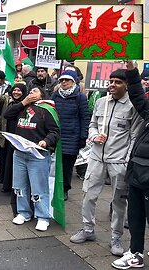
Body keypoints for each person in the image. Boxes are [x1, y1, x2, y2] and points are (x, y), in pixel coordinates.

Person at [70, 69, 143, 257]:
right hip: (96, 158)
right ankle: (87, 229)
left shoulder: (133, 107)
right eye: (111, 81)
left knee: (119, 200)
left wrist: (127, 162)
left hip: (118, 161)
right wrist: (94, 136)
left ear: (127, 85)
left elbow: (134, 136)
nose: (112, 84)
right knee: (88, 194)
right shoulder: (101, 102)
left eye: (118, 82)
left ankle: (116, 237)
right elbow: (92, 124)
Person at [4, 86, 60, 232]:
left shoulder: (47, 110)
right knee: (19, 185)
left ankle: (42, 216)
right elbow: (7, 114)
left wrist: (46, 141)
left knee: (39, 187)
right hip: (20, 153)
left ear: (42, 95)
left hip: (38, 155)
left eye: (34, 91)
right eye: (30, 91)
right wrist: (23, 102)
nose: (31, 93)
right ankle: (23, 212)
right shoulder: (22, 107)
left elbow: (54, 131)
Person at [111, 61, 149, 269]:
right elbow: (138, 98)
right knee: (135, 216)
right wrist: (132, 70)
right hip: (137, 171)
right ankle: (135, 253)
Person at [51, 70, 90, 201]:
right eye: (62, 80)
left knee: (67, 167)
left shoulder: (80, 97)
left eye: (67, 80)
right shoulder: (55, 96)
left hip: (72, 137)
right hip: (56, 136)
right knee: (55, 164)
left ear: (73, 82)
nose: (64, 83)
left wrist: (83, 137)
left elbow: (85, 118)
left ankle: (65, 189)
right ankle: (54, 187)